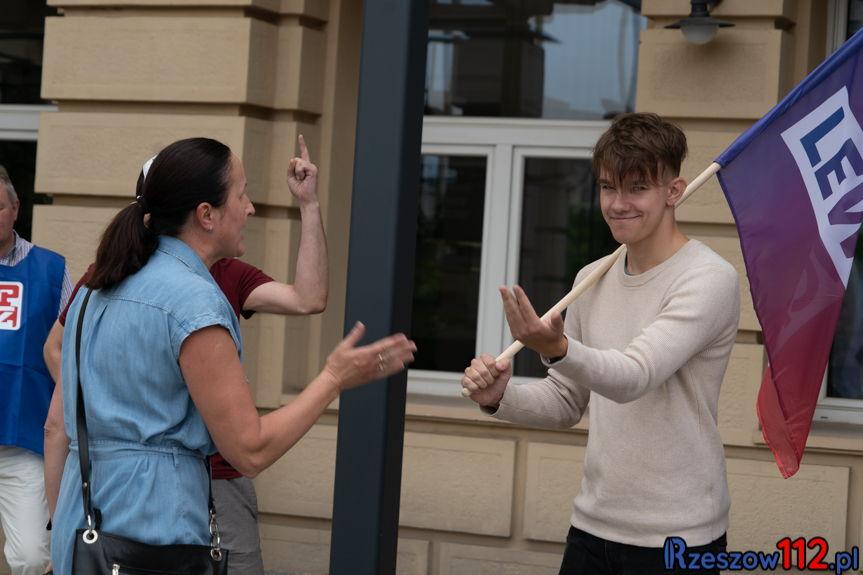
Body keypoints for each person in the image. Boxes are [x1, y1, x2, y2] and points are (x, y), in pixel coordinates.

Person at [45, 137, 416, 575]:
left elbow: (59, 423)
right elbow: (250, 450)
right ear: (206, 215)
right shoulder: (192, 300)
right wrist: (333, 378)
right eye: (242, 195)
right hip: (152, 532)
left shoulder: (94, 290)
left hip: (81, 528)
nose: (251, 208)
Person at [461, 113, 740, 575]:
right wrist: (500, 398)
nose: (618, 204)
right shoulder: (590, 279)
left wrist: (557, 348)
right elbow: (567, 401)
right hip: (592, 528)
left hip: (680, 538)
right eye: (608, 187)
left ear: (674, 191)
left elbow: (635, 376)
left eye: (637, 188)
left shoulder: (708, 279)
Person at [0, 167, 72, 575]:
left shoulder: (51, 270)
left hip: (24, 443)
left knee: (32, 556)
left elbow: (73, 347)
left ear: (15, 209)